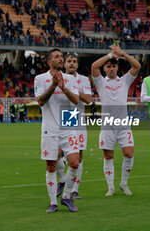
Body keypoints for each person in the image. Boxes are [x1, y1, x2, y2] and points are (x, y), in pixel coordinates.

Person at [34, 48, 80, 213]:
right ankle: (53, 202)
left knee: (75, 162)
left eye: (61, 56)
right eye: (57, 57)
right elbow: (40, 101)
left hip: (69, 121)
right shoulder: (40, 78)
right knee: (51, 166)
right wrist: (53, 86)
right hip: (50, 126)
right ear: (49, 62)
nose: (61, 59)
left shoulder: (70, 79)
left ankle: (66, 196)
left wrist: (63, 87)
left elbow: (76, 100)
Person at [91, 45, 141, 196]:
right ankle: (110, 187)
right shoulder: (100, 82)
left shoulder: (125, 80)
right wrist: (110, 54)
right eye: (108, 67)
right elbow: (94, 66)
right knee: (108, 156)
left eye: (113, 66)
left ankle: (124, 184)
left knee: (129, 153)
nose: (111, 69)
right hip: (107, 126)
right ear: (105, 69)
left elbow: (137, 66)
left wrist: (123, 53)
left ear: (117, 68)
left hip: (123, 125)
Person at [56, 53, 92, 199]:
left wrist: (72, 91)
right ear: (64, 64)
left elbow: (88, 99)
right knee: (56, 153)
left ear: (77, 64)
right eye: (69, 61)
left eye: (74, 62)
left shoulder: (83, 80)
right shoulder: (58, 77)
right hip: (61, 116)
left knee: (79, 155)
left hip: (77, 116)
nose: (71, 64)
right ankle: (63, 180)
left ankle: (74, 189)